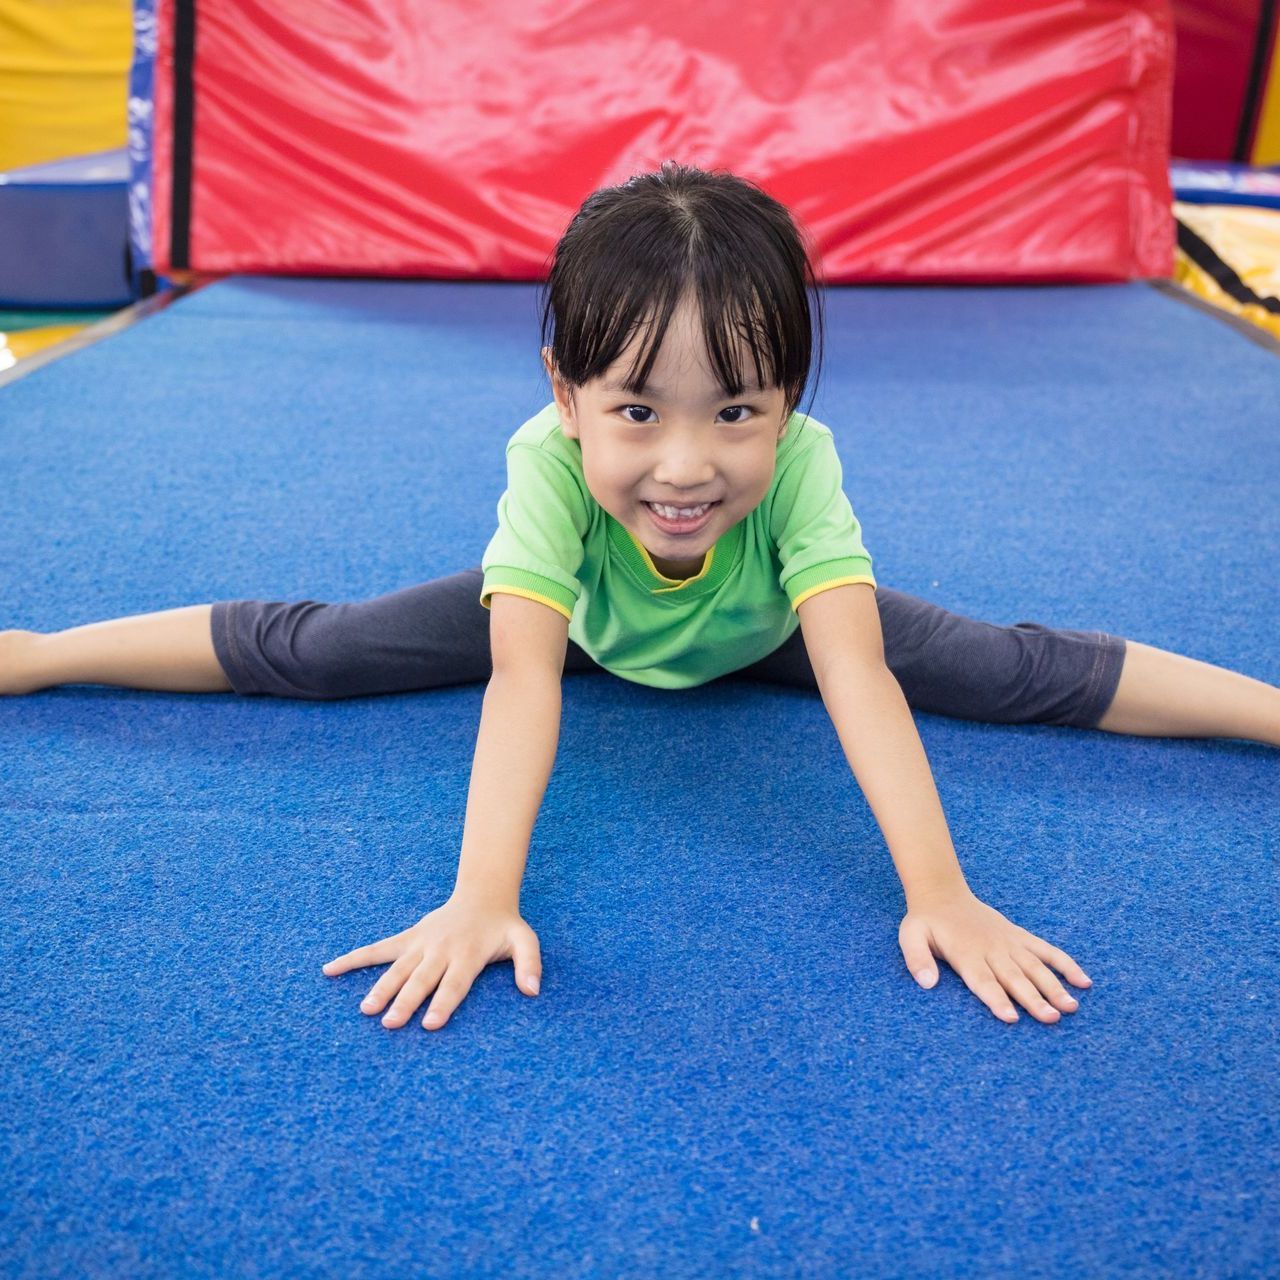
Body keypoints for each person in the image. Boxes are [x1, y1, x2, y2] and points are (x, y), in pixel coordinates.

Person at [3, 162, 1276, 1034]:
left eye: (735, 413)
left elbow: (856, 673)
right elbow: (518, 678)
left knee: (1004, 667)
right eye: (633, 411)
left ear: (788, 401)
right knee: (328, 647)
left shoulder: (798, 480)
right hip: (579, 614)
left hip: (760, 622)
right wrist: (481, 895)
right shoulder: (548, 470)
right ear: (565, 394)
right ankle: (44, 652)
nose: (682, 466)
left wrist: (938, 892)